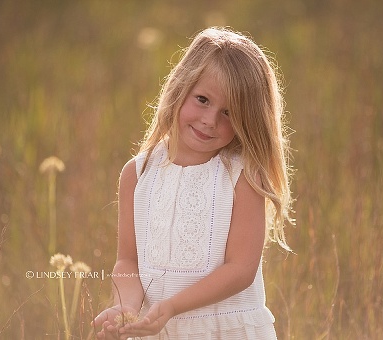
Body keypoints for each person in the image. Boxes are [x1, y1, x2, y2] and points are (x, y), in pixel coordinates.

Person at [93, 27, 294, 339]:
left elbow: (240, 270)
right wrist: (127, 307)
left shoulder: (242, 177)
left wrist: (172, 306)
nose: (210, 120)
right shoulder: (137, 174)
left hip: (224, 332)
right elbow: (127, 260)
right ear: (179, 88)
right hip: (156, 330)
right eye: (202, 100)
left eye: (230, 112)